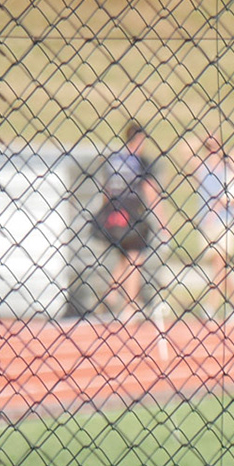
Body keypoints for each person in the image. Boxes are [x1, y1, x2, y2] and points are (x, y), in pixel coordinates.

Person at [95, 122, 167, 319]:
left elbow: (106, 191)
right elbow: (150, 191)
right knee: (135, 258)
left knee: (125, 257)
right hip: (131, 218)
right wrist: (163, 222)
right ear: (139, 140)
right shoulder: (139, 162)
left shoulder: (114, 161)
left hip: (113, 217)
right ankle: (130, 305)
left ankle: (110, 296)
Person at [191, 133, 234, 319]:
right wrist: (204, 139)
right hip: (207, 222)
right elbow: (185, 150)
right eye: (209, 147)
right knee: (221, 268)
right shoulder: (203, 168)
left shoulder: (228, 170)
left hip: (224, 221)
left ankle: (211, 306)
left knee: (219, 263)